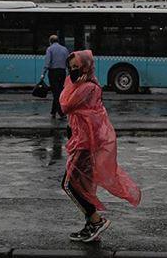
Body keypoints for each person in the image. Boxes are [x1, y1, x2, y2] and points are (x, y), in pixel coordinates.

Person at [60, 50, 141, 243]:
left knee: (69, 184)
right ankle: (91, 225)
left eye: (76, 67)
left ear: (86, 66)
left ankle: (96, 221)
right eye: (70, 68)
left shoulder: (88, 87)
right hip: (82, 142)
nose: (72, 71)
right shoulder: (84, 84)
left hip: (86, 144)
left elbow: (64, 105)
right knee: (83, 186)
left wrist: (70, 83)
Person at [44, 34, 70, 119]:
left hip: (53, 72)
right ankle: (53, 112)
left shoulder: (50, 49)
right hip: (62, 72)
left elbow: (48, 62)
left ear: (50, 41)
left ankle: (61, 113)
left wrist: (43, 73)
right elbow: (68, 61)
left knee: (56, 93)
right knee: (59, 92)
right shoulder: (65, 49)